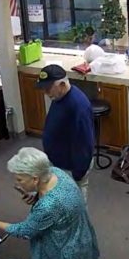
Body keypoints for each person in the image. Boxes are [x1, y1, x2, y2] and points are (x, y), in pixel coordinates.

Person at [36, 64, 95, 201]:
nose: (45, 92)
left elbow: (85, 143)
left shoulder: (78, 106)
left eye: (48, 88)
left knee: (76, 206)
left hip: (72, 168)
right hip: (59, 163)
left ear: (62, 84)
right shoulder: (58, 97)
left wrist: (78, 174)